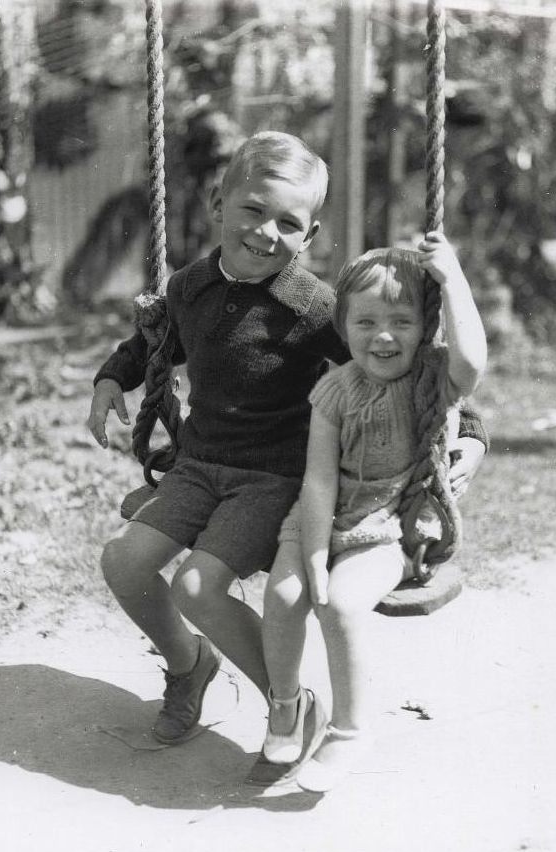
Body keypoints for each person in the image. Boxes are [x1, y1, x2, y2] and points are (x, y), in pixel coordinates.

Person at [87, 131, 488, 773]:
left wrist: (468, 432)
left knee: (197, 584)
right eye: (253, 209)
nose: (266, 232)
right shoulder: (190, 286)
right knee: (125, 563)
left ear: (311, 233)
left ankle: (292, 702)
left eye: (289, 222)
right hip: (197, 465)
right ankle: (190, 666)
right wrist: (113, 377)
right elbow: (156, 340)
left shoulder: (315, 309)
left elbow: (400, 367)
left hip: (273, 477)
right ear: (220, 203)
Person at [260, 237, 487, 793]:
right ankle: (286, 703)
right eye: (365, 322)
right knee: (285, 595)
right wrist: (312, 550)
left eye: (402, 322)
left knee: (340, 603)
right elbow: (318, 479)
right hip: (325, 515)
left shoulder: (432, 376)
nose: (383, 337)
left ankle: (350, 730)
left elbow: (473, 359)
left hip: (392, 523)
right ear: (343, 326)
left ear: (425, 326)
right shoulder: (334, 391)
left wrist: (453, 277)